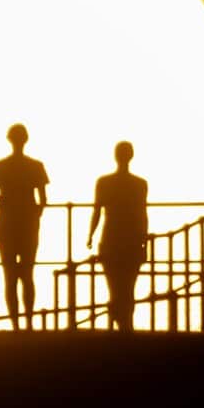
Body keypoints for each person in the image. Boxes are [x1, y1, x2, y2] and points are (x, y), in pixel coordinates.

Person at [0, 123, 49, 331]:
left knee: (10, 277)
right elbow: (43, 201)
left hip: (5, 226)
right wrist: (32, 215)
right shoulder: (36, 166)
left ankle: (15, 325)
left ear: (9, 140)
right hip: (28, 225)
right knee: (27, 276)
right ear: (26, 140)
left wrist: (2, 200)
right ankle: (29, 323)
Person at [87, 141, 149, 332]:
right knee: (129, 287)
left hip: (110, 239)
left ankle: (119, 325)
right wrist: (144, 242)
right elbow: (142, 214)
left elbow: (97, 211)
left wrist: (90, 235)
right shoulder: (140, 184)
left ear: (115, 156)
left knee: (114, 287)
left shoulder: (103, 182)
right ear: (131, 156)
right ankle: (126, 326)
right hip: (132, 240)